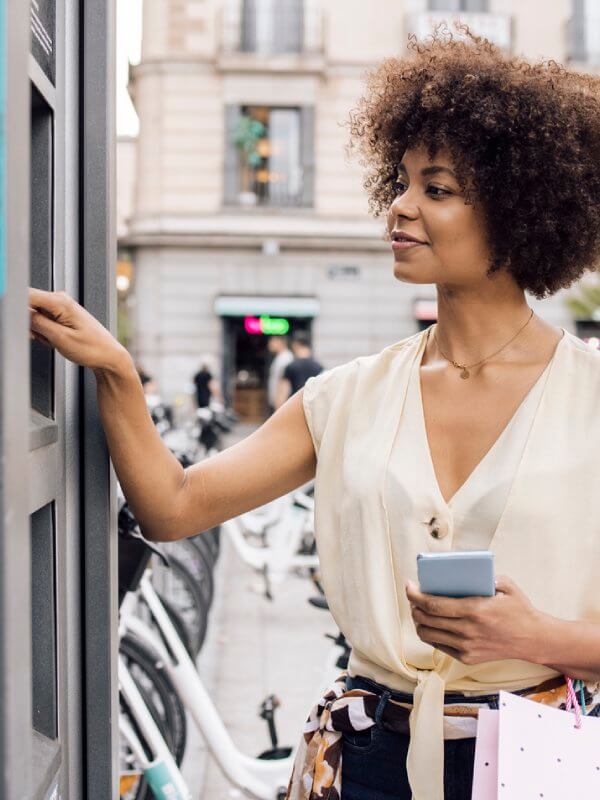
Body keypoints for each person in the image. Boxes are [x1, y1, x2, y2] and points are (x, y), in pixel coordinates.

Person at [28, 28, 600, 800]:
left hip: (543, 767)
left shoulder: (589, 394)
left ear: (520, 212)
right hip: (365, 766)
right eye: (400, 183)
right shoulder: (346, 395)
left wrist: (542, 639)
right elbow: (173, 507)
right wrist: (118, 375)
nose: (398, 207)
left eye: (436, 189)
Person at [274, 331, 323, 409]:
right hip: (312, 410)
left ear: (295, 345)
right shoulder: (319, 367)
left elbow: (282, 394)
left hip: (294, 409)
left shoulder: (291, 366)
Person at [267, 335, 293, 414]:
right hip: (278, 400)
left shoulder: (286, 358)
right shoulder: (280, 357)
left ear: (280, 342)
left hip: (282, 402)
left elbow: (285, 382)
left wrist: (280, 402)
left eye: (272, 341)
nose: (269, 344)